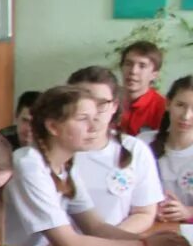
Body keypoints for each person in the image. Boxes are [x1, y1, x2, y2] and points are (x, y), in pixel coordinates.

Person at [4, 85, 190, 246]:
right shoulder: (29, 164)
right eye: (83, 119)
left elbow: (95, 226)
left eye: (95, 117)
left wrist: (147, 241)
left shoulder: (68, 166)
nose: (94, 127)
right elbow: (68, 243)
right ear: (53, 127)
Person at [66, 66, 161, 234]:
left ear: (114, 106)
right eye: (82, 102)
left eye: (101, 104)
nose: (92, 112)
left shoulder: (135, 149)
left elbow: (144, 213)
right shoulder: (54, 149)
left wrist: (108, 240)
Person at [151, 75, 193, 222]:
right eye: (180, 105)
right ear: (168, 103)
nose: (186, 116)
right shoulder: (142, 143)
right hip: (147, 229)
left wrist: (188, 212)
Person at [119, 40, 167, 137]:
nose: (133, 71)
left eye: (142, 66)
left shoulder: (162, 108)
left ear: (154, 74)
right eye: (128, 64)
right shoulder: (108, 100)